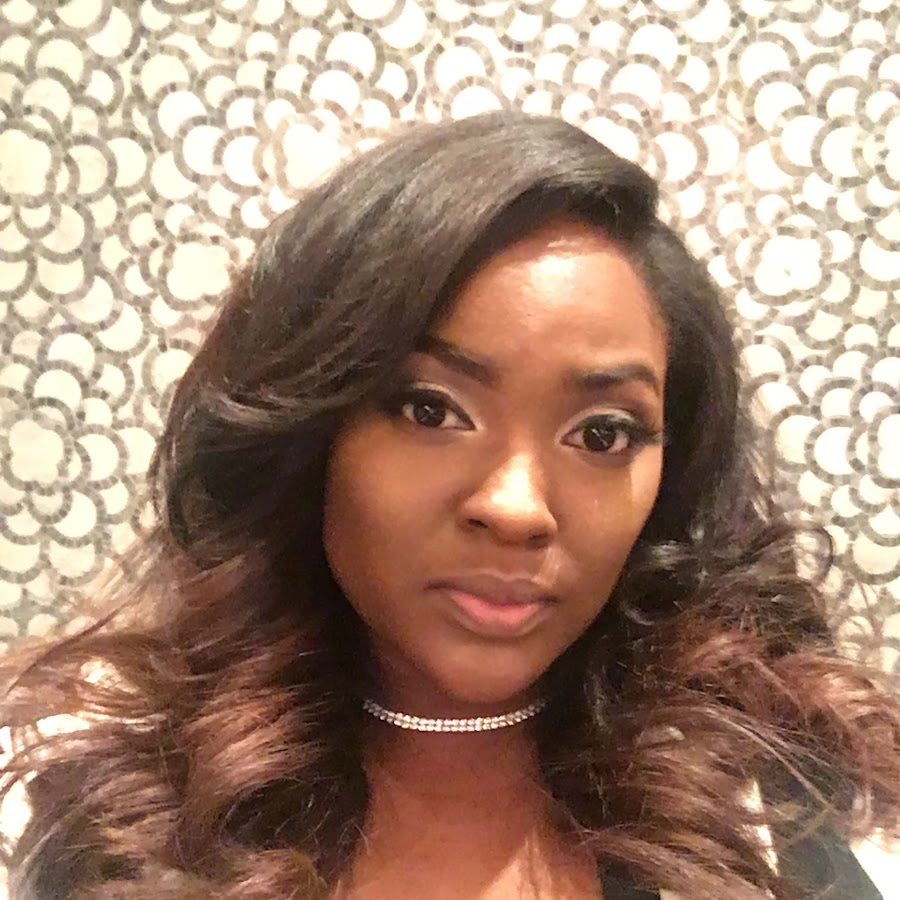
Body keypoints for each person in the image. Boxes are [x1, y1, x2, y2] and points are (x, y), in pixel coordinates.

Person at [1, 112, 899, 900]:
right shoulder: (92, 801)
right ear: (307, 428)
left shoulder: (778, 800)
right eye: (430, 410)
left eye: (602, 433)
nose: (516, 508)